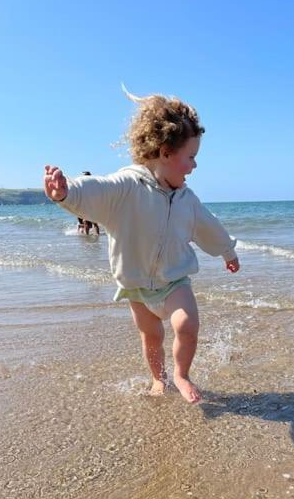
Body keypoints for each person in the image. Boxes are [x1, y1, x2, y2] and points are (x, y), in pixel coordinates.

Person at [44, 92, 240, 403]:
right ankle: (157, 379)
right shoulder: (127, 187)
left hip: (175, 280)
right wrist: (67, 192)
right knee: (152, 336)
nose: (194, 165)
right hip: (136, 285)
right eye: (190, 157)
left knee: (187, 327)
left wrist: (227, 251)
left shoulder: (187, 200)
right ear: (165, 153)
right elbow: (97, 189)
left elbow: (209, 226)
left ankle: (181, 374)